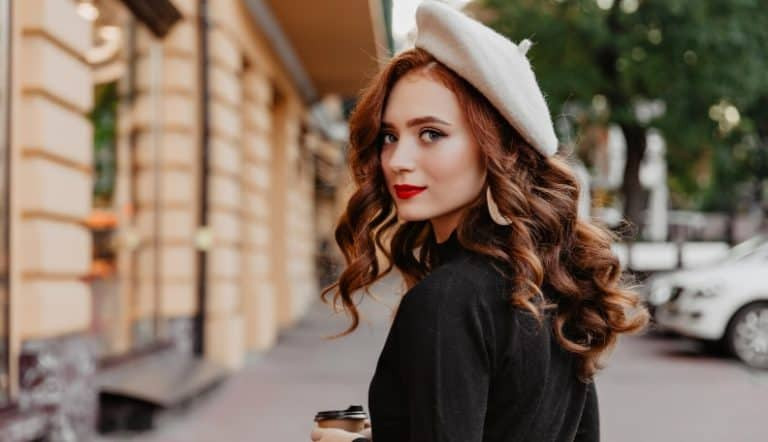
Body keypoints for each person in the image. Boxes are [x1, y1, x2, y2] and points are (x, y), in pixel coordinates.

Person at [310, 2, 649, 441]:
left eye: (431, 134)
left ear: (497, 149)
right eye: (390, 136)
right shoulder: (552, 283)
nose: (397, 160)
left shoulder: (447, 299)